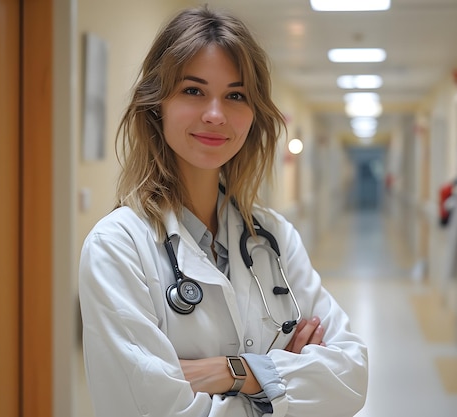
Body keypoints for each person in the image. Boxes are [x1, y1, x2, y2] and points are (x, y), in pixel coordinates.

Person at [78, 5, 368, 417]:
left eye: (235, 95)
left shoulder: (275, 237)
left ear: (253, 115)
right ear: (157, 104)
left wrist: (229, 372)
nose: (215, 115)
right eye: (193, 90)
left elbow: (351, 376)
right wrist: (281, 387)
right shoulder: (117, 248)